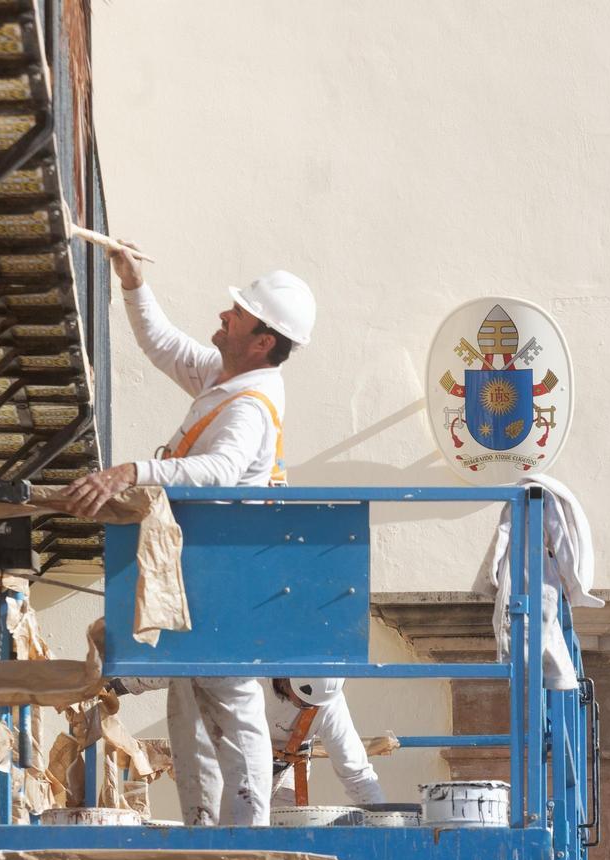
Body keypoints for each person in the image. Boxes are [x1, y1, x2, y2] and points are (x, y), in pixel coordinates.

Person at [62, 246, 317, 825]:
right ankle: (205, 825)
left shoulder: (248, 405)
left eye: (239, 314)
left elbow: (219, 471)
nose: (226, 315)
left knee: (228, 700)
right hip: (210, 567)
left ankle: (246, 832)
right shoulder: (227, 378)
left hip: (226, 571)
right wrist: (133, 284)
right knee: (191, 704)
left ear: (262, 341)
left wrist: (133, 471)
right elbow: (165, 345)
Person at [264, 677, 385, 809]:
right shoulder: (254, 682)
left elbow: (356, 772)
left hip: (288, 763)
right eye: (304, 704)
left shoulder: (329, 703)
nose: (310, 709)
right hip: (242, 753)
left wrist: (379, 817)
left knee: (283, 822)